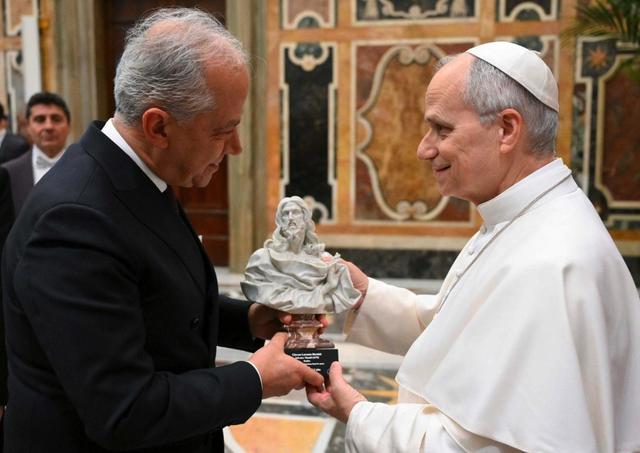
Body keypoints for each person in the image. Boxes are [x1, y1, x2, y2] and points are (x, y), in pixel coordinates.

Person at [1, 8, 323, 453]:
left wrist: (249, 320)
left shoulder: (135, 174)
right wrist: (254, 378)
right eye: (223, 131)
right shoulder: (74, 220)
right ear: (158, 126)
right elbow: (124, 410)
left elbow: (153, 297)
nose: (236, 147)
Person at [306, 41, 640, 453]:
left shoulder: (550, 261)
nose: (424, 149)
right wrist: (362, 295)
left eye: (442, 129)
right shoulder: (527, 218)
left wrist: (358, 412)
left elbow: (480, 447)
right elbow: (459, 333)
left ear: (507, 129)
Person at [242, 196, 360, 314]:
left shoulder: (323, 261)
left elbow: (343, 298)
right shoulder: (263, 259)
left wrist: (328, 287)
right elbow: (267, 295)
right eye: (285, 214)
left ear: (305, 219)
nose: (290, 217)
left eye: (295, 212)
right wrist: (324, 290)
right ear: (280, 221)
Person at [1, 91, 71, 215]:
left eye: (56, 119)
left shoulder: (90, 169)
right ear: (28, 127)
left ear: (69, 125)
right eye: (40, 119)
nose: (49, 126)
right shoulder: (8, 173)